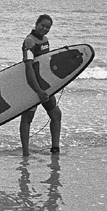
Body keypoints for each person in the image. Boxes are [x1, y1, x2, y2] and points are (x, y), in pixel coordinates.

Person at [20, 14, 62, 156]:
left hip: (44, 85)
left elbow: (45, 64)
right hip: (32, 86)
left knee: (56, 114)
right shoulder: (29, 42)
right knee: (27, 118)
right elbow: (29, 68)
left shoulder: (45, 40)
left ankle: (55, 149)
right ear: (36, 24)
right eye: (42, 25)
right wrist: (37, 90)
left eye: (48, 27)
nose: (44, 29)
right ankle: (26, 153)